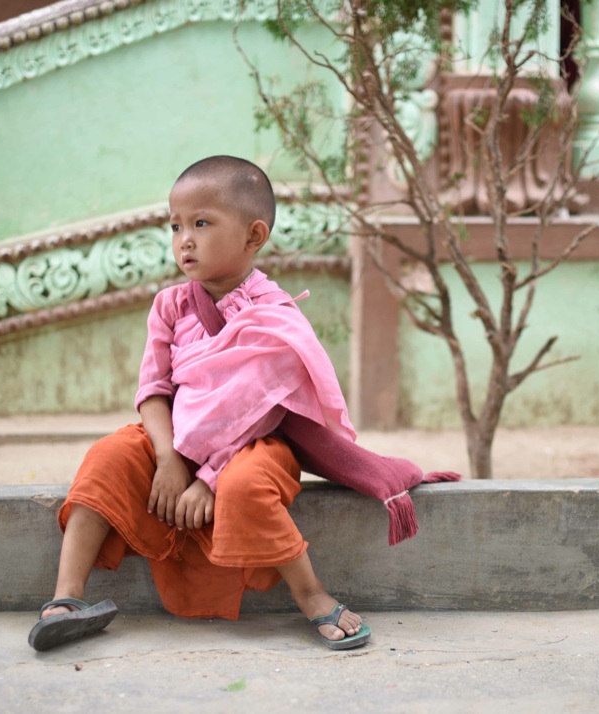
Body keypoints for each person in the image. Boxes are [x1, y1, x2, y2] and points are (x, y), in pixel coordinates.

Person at [28, 155, 457, 653]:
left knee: (247, 486)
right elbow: (154, 391)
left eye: (202, 223)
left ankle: (311, 592)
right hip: (178, 438)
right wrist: (168, 459)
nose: (184, 240)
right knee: (108, 456)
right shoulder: (170, 306)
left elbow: (262, 412)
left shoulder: (274, 315)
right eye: (176, 226)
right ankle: (66, 599)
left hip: (254, 444)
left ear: (254, 236)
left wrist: (209, 478)